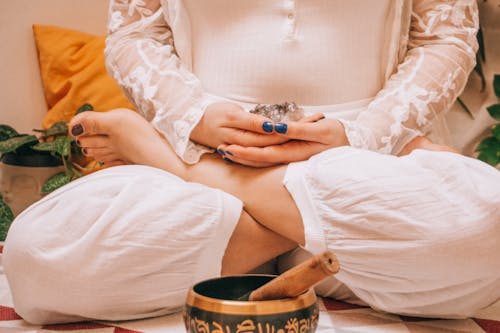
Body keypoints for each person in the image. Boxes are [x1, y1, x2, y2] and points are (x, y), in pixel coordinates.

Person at [3, 108, 500, 325]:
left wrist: (362, 131)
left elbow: (441, 46)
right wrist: (193, 116)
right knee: (39, 258)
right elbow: (140, 42)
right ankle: (233, 191)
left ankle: (187, 169)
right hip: (205, 143)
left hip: (364, 154)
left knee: (481, 229)